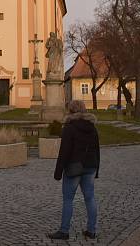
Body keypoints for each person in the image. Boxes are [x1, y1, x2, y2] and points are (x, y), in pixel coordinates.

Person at [48, 99, 100, 241]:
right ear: (84, 110)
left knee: (68, 199)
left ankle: (64, 231)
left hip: (73, 167)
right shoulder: (92, 126)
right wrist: (97, 168)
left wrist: (58, 172)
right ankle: (91, 230)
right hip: (90, 166)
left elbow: (64, 151)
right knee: (90, 198)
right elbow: (97, 149)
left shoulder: (69, 128)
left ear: (70, 111)